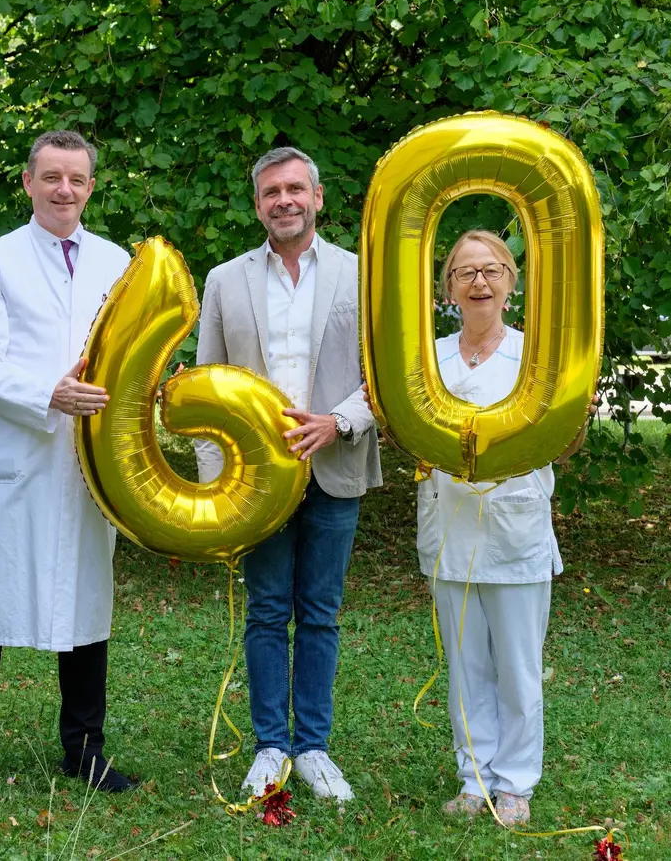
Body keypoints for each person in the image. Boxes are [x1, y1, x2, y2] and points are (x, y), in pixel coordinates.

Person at [0, 130, 135, 800]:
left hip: (89, 462)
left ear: (90, 187)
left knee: (87, 606)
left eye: (76, 179)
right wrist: (47, 393)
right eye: (51, 177)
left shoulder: (118, 263)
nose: (64, 189)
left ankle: (84, 749)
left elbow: (131, 358)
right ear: (27, 183)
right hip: (18, 455)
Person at [194, 146, 381, 803]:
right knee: (268, 612)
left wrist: (338, 422)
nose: (284, 200)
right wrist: (219, 487)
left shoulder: (364, 276)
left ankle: (314, 749)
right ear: (257, 205)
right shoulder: (223, 281)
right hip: (255, 483)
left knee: (322, 613)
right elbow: (206, 391)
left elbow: (384, 379)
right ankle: (271, 745)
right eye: (271, 192)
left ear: (318, 197)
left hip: (334, 463)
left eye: (295, 189)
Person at [417, 229, 591, 828]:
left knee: (517, 666)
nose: (479, 282)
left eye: (491, 270)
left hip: (516, 529)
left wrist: (574, 418)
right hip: (449, 528)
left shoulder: (539, 357)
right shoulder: (427, 359)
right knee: (466, 666)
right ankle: (474, 779)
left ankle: (515, 783)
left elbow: (565, 446)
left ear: (511, 283)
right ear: (448, 288)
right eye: (465, 272)